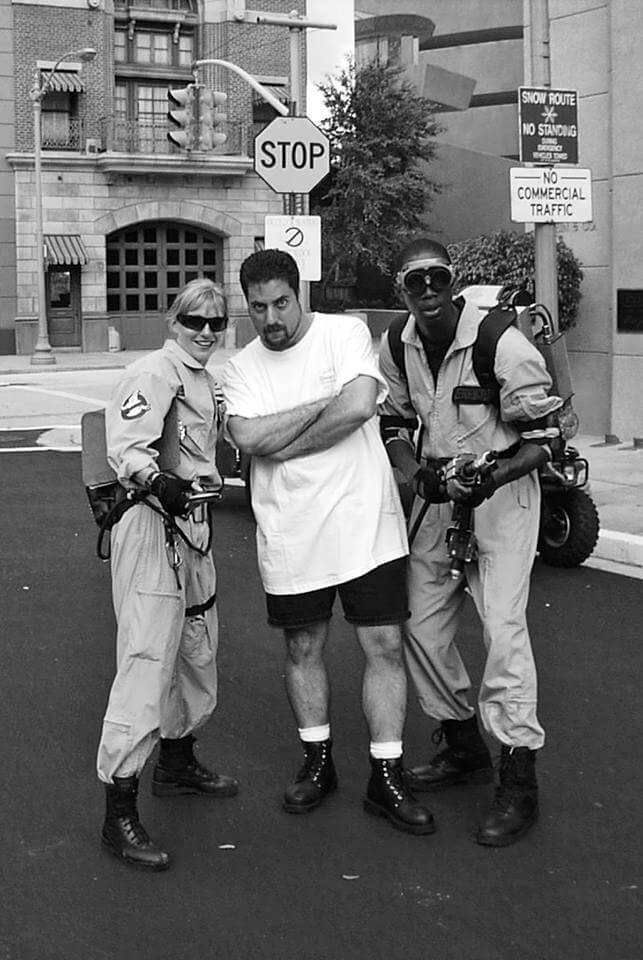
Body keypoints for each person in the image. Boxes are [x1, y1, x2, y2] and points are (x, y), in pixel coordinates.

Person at [221, 249, 433, 835]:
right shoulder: (240, 369)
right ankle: (318, 762)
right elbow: (247, 437)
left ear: (301, 294)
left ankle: (386, 774)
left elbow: (360, 406)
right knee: (302, 648)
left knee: (384, 645)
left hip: (365, 522)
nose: (271, 319)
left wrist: (282, 440)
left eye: (281, 303)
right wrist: (323, 405)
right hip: (290, 530)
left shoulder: (345, 334)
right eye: (258, 307)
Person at [378, 238, 563, 846]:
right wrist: (417, 474)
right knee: (419, 625)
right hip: (438, 496)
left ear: (453, 281)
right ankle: (462, 743)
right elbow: (394, 423)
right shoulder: (397, 345)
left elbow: (545, 439)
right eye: (415, 282)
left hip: (501, 495)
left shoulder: (499, 343)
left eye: (438, 278)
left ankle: (519, 776)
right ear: (401, 289)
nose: (428, 291)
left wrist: (493, 477)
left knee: (503, 632)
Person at [97, 278, 238, 871]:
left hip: (192, 530)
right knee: (148, 659)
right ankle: (119, 809)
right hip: (153, 526)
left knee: (195, 647)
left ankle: (176, 762)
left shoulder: (206, 381)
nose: (205, 331)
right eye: (193, 321)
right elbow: (127, 448)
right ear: (173, 323)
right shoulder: (154, 373)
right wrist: (160, 482)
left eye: (215, 323)